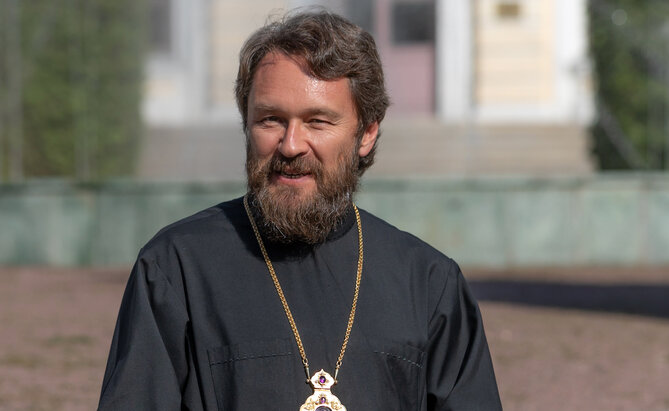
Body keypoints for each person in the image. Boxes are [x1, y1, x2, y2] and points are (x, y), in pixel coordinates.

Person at [98, 10, 502, 411]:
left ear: (366, 133)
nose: (291, 145)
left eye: (318, 121)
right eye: (271, 120)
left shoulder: (428, 283)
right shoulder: (176, 267)